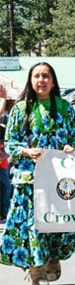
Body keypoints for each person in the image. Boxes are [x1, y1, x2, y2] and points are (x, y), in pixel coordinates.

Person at [0, 62, 75, 285]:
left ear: (53, 81)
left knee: (58, 222)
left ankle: (52, 259)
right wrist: (26, 151)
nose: (41, 80)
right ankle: (36, 268)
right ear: (31, 81)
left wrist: (69, 147)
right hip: (29, 177)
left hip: (59, 178)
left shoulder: (65, 107)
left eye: (46, 76)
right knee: (33, 223)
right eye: (37, 76)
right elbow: (10, 142)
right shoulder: (20, 109)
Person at [0, 84, 11, 222]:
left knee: (5, 187)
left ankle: (4, 212)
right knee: (6, 186)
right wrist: (3, 98)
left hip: (2, 162)